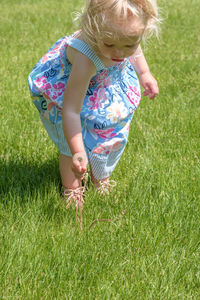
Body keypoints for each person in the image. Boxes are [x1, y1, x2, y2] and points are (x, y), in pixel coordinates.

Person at [28, 0, 160, 228]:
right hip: (65, 94)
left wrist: (145, 73)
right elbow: (70, 110)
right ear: (92, 29)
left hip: (101, 85)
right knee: (69, 147)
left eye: (128, 44)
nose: (120, 54)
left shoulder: (123, 36)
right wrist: (78, 149)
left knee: (108, 133)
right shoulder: (86, 59)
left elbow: (133, 49)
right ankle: (72, 190)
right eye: (110, 44)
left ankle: (101, 178)